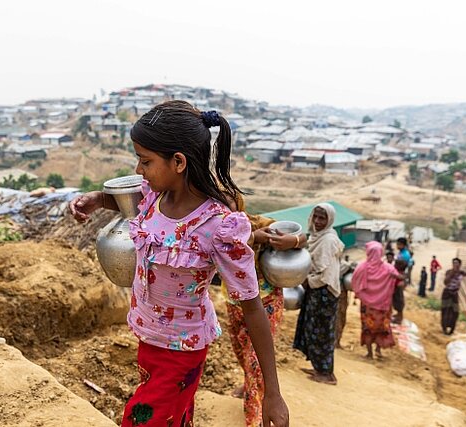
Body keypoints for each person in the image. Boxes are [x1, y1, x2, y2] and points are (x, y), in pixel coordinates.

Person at [69, 101, 289, 427]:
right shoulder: (152, 197)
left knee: (142, 420)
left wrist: (272, 391)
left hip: (181, 351)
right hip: (148, 337)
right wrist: (97, 199)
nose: (138, 168)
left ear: (179, 162)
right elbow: (123, 200)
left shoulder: (219, 226)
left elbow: (252, 306)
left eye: (145, 160)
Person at [222, 201, 306, 427]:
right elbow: (227, 242)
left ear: (239, 204)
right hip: (233, 302)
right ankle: (250, 381)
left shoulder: (260, 223)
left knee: (254, 361)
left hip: (265, 302)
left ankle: (254, 418)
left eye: (229, 201)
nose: (224, 207)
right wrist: (253, 238)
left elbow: (299, 235)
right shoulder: (215, 227)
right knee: (241, 352)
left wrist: (294, 240)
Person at [293, 203, 344, 386]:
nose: (317, 221)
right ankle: (319, 367)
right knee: (312, 329)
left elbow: (326, 274)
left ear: (329, 220)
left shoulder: (328, 240)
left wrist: (308, 281)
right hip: (316, 291)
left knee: (322, 332)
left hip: (324, 292)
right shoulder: (317, 237)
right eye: (315, 217)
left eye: (322, 218)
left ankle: (327, 374)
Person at [353, 241, 406, 359]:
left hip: (367, 306)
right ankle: (378, 350)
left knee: (367, 328)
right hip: (383, 305)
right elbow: (399, 277)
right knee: (381, 327)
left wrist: (361, 293)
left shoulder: (362, 267)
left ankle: (369, 353)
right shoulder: (388, 268)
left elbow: (354, 281)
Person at [335, 255, 353, 349]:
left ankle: (335, 341)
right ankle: (336, 342)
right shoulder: (344, 266)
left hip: (336, 295)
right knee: (339, 318)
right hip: (339, 295)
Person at [392, 238, 411, 324]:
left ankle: (400, 316)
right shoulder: (401, 253)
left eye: (399, 244)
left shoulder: (405, 255)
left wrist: (404, 279)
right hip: (397, 277)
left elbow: (407, 268)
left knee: (399, 297)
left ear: (403, 245)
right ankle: (398, 314)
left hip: (401, 278)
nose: (397, 246)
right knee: (395, 296)